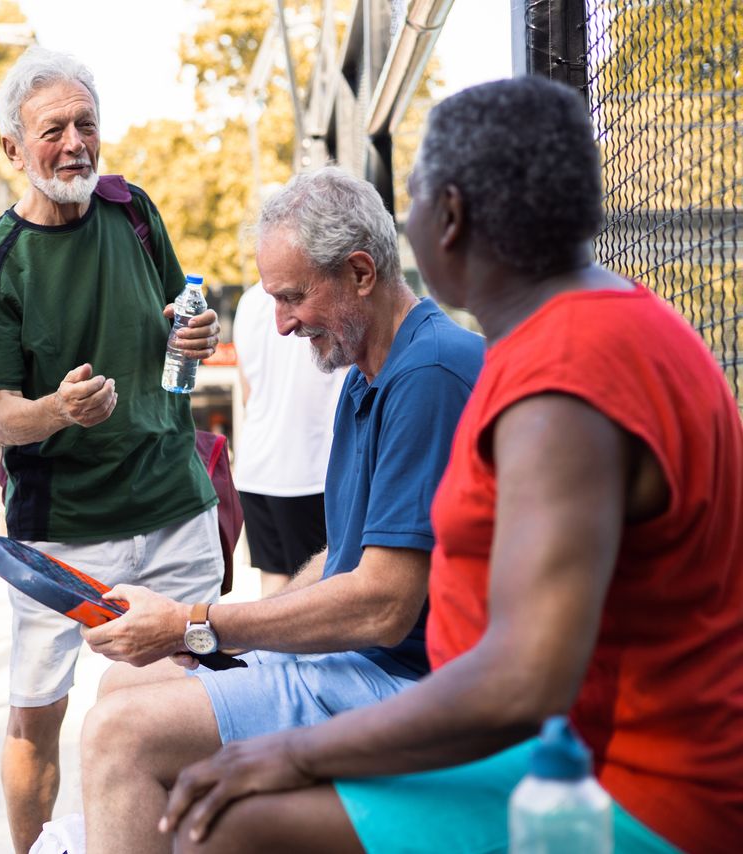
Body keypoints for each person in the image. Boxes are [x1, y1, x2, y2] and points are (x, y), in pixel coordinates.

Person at [158, 77, 743, 854]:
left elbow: (521, 681)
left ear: (451, 215)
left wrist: (293, 750)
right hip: (568, 755)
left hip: (630, 794)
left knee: (231, 824)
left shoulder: (565, 376)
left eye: (415, 200)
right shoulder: (594, 326)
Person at [79, 166, 485, 853]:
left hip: (413, 687)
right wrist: (213, 640)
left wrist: (194, 622)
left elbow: (383, 604)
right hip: (368, 664)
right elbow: (342, 557)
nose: (283, 322)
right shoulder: (372, 376)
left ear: (361, 272)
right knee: (124, 680)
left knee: (120, 735)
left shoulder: (430, 374)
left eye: (293, 297)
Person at [0, 47, 225, 854]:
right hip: (64, 531)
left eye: (86, 124)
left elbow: (180, 319)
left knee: (191, 701)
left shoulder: (135, 210)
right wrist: (58, 411)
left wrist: (196, 333)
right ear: (13, 149)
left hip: (176, 506)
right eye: (52, 131)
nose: (74, 143)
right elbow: (3, 419)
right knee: (38, 713)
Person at [232, 281, 346, 596]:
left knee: (274, 586)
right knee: (317, 591)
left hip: (255, 468)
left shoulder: (249, 301)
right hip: (308, 469)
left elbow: (247, 390)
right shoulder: (319, 294)